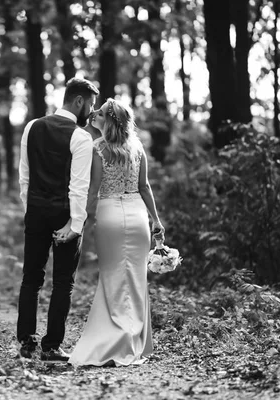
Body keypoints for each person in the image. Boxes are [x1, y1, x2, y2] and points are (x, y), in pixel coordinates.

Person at [61, 98, 165, 367]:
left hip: (109, 216)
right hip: (137, 215)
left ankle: (114, 337)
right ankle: (135, 341)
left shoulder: (98, 148)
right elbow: (145, 187)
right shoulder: (138, 148)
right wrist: (156, 221)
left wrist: (77, 221)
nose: (94, 114)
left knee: (111, 278)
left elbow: (93, 190)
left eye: (100, 114)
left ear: (108, 121)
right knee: (136, 279)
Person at [17, 77, 100, 363]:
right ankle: (51, 347)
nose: (92, 110)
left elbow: (24, 176)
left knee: (31, 277)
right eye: (90, 104)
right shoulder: (80, 137)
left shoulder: (32, 127)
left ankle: (27, 343)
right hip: (64, 215)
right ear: (79, 101)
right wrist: (75, 226)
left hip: (37, 211)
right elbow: (78, 188)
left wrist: (30, 210)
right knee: (63, 283)